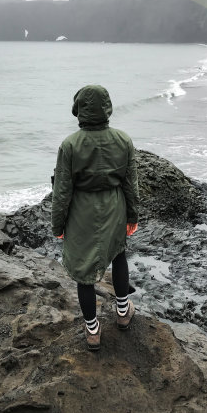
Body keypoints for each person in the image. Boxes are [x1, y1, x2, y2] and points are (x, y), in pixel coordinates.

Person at [51, 84, 139, 351]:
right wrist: (133, 215)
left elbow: (62, 190)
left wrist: (58, 224)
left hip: (81, 210)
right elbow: (131, 183)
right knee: (119, 254)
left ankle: (92, 331)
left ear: (79, 110)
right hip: (114, 205)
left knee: (84, 271)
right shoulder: (123, 140)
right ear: (107, 108)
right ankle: (123, 313)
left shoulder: (70, 145)